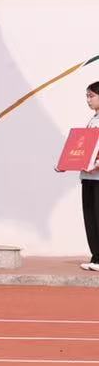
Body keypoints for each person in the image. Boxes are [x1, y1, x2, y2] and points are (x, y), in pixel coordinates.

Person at [79, 83, 99, 273]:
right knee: (90, 217)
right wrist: (66, 163)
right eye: (87, 96)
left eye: (91, 96)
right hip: (88, 176)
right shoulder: (93, 119)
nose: (88, 100)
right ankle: (96, 257)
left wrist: (97, 164)